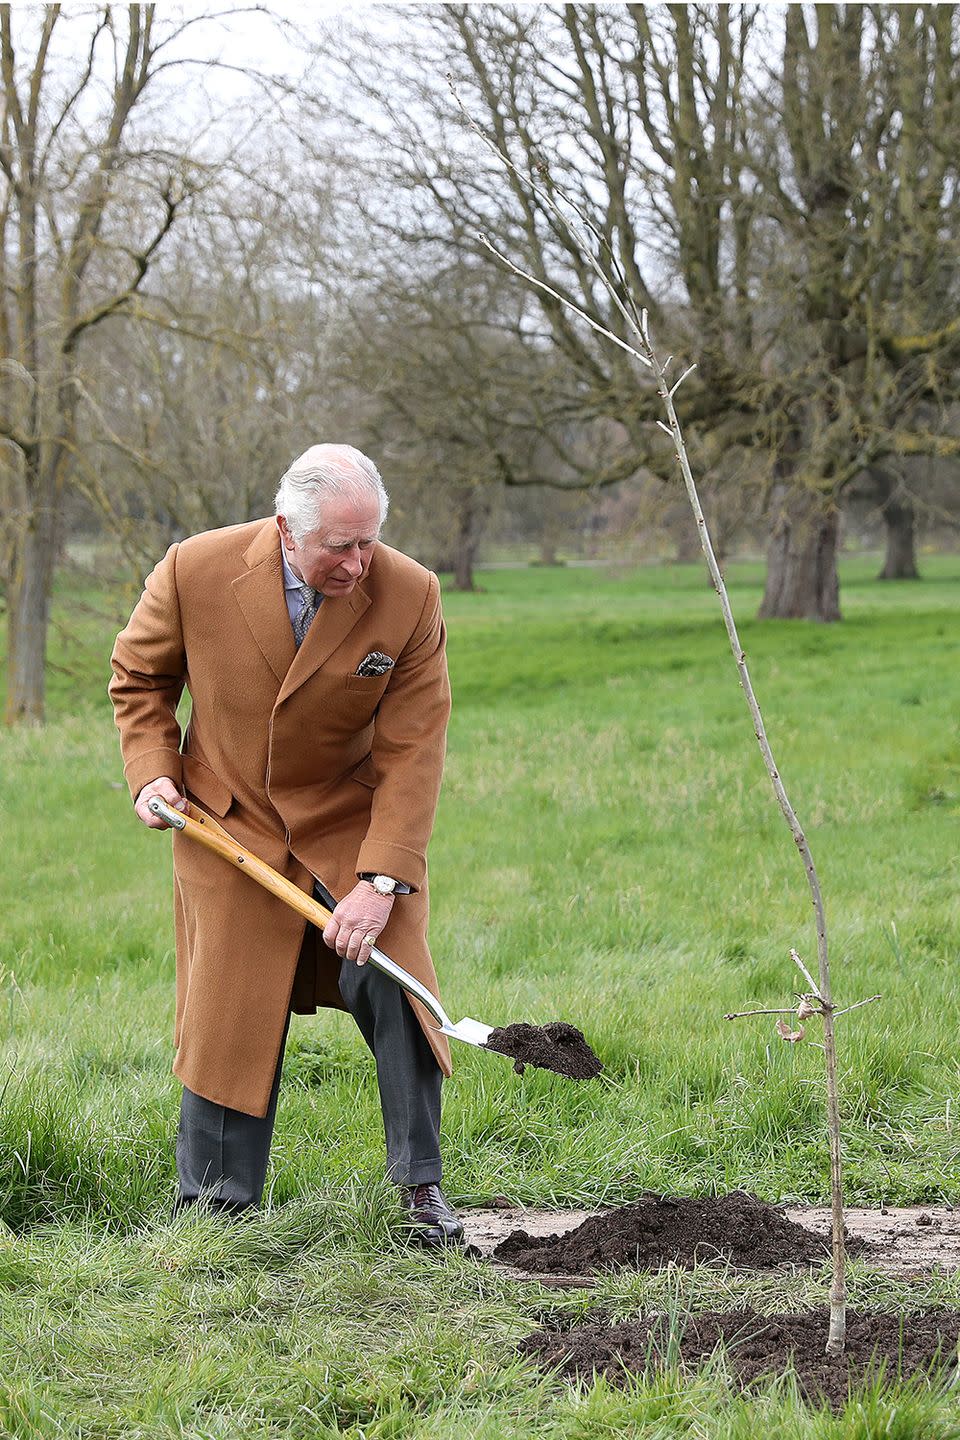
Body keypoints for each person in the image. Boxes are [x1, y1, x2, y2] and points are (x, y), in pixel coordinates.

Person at [109, 443, 463, 1245]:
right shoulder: (193, 570)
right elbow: (138, 676)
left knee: (399, 982)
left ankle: (421, 1193)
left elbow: (415, 745)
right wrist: (151, 771)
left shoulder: (409, 595)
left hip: (351, 824)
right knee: (227, 1007)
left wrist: (382, 881)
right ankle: (215, 1205)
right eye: (339, 545)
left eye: (368, 540)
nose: (358, 561)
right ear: (285, 530)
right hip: (226, 817)